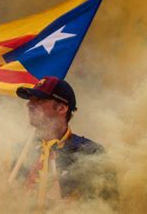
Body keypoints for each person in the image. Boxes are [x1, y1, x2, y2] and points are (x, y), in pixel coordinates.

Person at [9, 76, 118, 210]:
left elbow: (108, 206)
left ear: (62, 108)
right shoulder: (22, 151)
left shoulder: (90, 153)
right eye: (30, 100)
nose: (29, 104)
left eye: (39, 100)